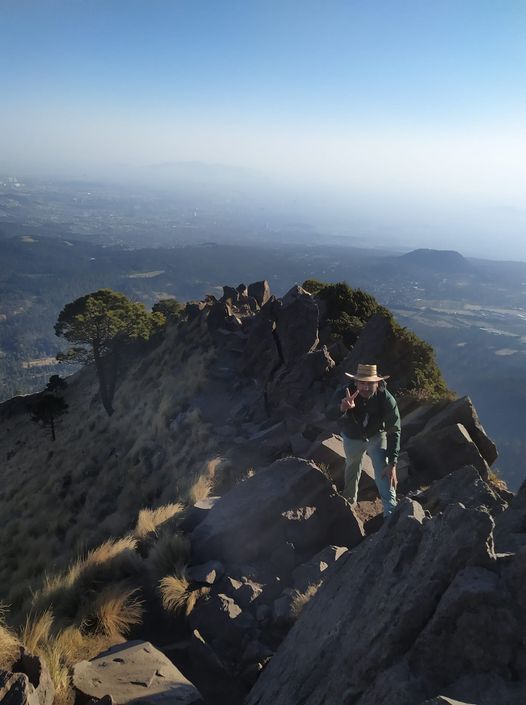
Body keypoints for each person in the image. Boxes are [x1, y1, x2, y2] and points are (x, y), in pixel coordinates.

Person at [326, 363, 401, 516]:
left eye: (370, 383)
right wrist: (342, 408)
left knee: (383, 469)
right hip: (351, 436)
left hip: (376, 436)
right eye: (362, 383)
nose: (366, 387)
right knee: (352, 466)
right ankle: (349, 502)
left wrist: (393, 462)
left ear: (378, 383)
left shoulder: (386, 398)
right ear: (356, 382)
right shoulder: (344, 393)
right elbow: (328, 414)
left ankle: (390, 511)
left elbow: (394, 429)